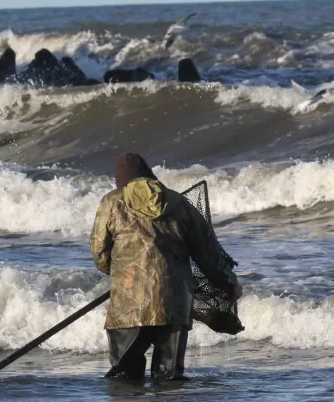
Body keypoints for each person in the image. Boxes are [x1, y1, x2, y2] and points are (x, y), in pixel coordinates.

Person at [90, 153, 241, 384]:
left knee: (124, 378)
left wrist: (123, 274)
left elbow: (100, 253)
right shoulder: (179, 203)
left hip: (128, 304)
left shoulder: (111, 202)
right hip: (174, 302)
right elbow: (208, 254)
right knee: (169, 380)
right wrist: (228, 283)